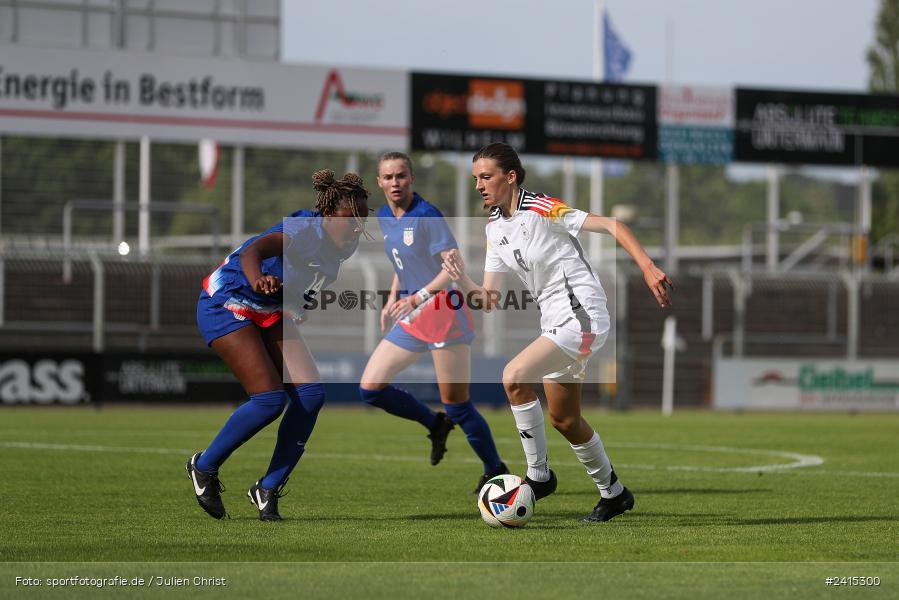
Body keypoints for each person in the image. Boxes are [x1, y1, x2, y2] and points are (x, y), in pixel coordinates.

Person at [442, 142, 674, 522]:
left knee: (514, 377)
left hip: (583, 316)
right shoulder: (494, 228)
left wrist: (648, 267)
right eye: (475, 179)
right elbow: (489, 299)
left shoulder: (543, 207)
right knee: (564, 419)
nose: (479, 185)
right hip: (555, 323)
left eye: (486, 177)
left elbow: (614, 225)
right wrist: (461, 278)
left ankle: (539, 476)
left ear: (510, 176)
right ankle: (614, 493)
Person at [187, 169, 371, 521]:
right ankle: (204, 466)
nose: (358, 226)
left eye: (363, 219)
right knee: (270, 400)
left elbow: (310, 282)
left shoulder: (346, 243)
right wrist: (259, 280)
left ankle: (267, 488)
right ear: (329, 214)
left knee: (311, 395)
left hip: (270, 310)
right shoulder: (304, 229)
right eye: (352, 218)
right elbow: (252, 251)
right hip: (227, 301)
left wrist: (299, 304)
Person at [359, 152, 507, 493]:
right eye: (388, 177)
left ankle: (495, 470)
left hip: (443, 314)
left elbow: (449, 271)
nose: (395, 183)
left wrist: (416, 297)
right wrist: (394, 296)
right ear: (379, 182)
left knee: (456, 404)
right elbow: (401, 265)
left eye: (401, 176)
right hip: (413, 314)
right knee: (370, 388)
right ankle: (433, 424)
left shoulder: (427, 215)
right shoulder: (383, 215)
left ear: (411, 178)